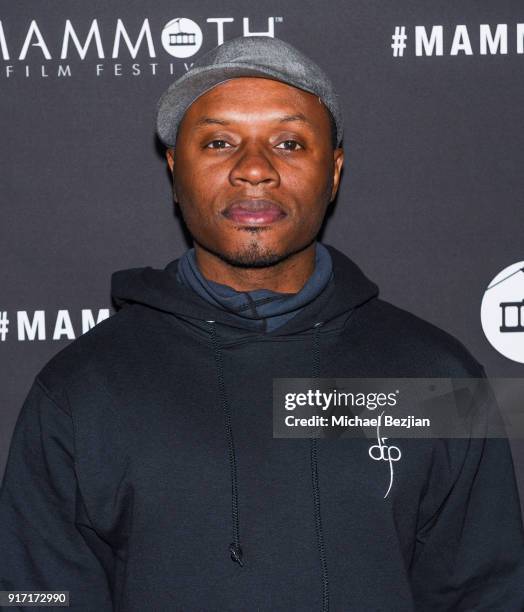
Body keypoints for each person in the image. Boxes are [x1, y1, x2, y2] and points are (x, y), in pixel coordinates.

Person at [0, 35, 523, 611]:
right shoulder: (83, 390)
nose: (254, 169)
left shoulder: (437, 378)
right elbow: (39, 596)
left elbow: (487, 592)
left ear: (335, 171)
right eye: (220, 141)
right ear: (175, 168)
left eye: (289, 142)